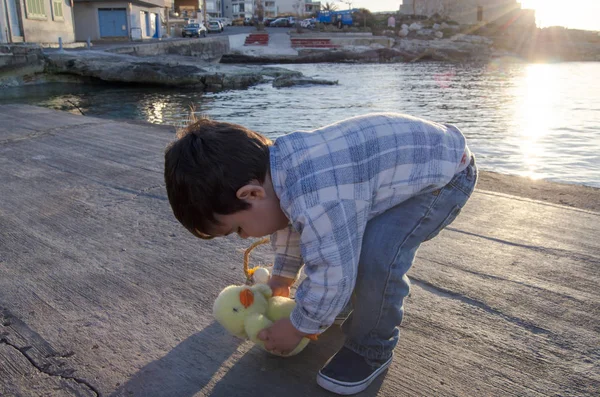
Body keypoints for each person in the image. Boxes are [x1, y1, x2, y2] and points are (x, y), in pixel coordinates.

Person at [164, 113, 477, 395]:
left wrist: (301, 324)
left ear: (251, 194)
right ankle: (335, 306)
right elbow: (289, 223)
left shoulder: (318, 196)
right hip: (402, 169)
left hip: (445, 177)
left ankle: (372, 348)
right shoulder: (280, 173)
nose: (245, 237)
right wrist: (281, 278)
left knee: (376, 258)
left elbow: (333, 267)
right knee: (341, 238)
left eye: (238, 229)